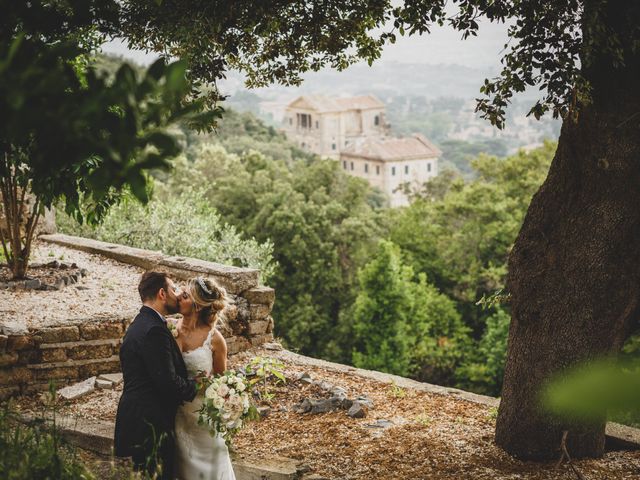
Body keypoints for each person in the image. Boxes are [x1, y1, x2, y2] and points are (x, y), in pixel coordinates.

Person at [114, 271, 197, 479]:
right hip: (149, 426)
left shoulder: (140, 324)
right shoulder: (154, 331)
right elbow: (167, 383)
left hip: (136, 421)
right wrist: (198, 385)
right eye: (173, 289)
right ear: (162, 294)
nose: (177, 295)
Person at [173, 276, 235, 480]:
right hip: (174, 415)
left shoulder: (215, 340)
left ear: (197, 307)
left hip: (203, 419)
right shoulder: (168, 329)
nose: (179, 296)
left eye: (185, 295)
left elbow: (221, 384)